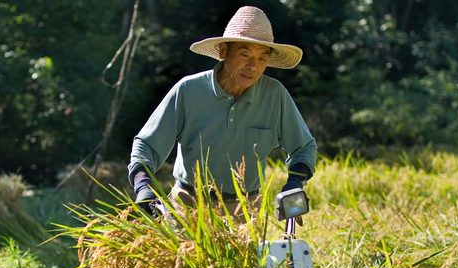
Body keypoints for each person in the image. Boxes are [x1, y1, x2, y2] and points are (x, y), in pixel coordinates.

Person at [128, 6, 317, 218]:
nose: (253, 66)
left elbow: (304, 147)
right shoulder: (188, 91)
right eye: (244, 54)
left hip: (245, 211)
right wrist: (143, 186)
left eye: (262, 58)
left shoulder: (275, 96)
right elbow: (146, 144)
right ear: (223, 52)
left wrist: (294, 183)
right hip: (188, 206)